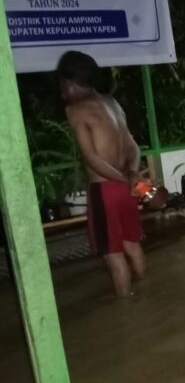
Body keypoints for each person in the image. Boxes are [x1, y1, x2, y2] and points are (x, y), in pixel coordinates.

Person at [57, 51, 146, 296]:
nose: (62, 90)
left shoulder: (75, 110)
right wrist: (132, 175)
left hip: (105, 190)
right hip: (127, 190)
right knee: (132, 245)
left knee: (113, 254)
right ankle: (146, 297)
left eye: (63, 84)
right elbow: (134, 148)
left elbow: (92, 159)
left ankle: (126, 311)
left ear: (71, 83)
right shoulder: (112, 103)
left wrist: (121, 178)